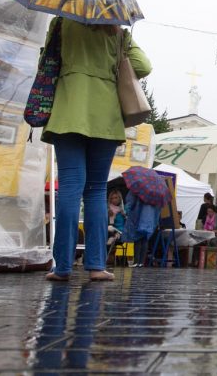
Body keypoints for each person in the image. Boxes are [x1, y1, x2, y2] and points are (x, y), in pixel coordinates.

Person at [41, 18, 152, 282]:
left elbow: (45, 62)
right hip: (105, 117)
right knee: (96, 190)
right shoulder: (117, 31)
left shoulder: (61, 23)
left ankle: (63, 267)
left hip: (68, 111)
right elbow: (143, 66)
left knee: (70, 187)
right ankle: (96, 265)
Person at [124, 190, 158, 268]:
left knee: (137, 239)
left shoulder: (136, 190)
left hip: (138, 216)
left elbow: (130, 203)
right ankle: (141, 262)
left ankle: (136, 261)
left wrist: (127, 211)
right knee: (145, 239)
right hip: (149, 217)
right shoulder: (154, 193)